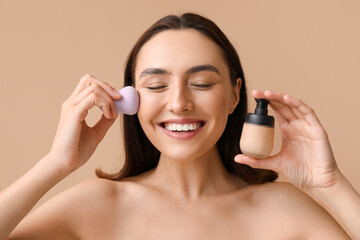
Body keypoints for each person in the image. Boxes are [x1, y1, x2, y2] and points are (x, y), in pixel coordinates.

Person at [1, 12, 359, 239]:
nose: (178, 102)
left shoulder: (282, 210)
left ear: (236, 96)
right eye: (156, 86)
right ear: (131, 98)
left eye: (202, 83)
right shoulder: (96, 206)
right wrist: (54, 165)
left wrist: (329, 184)